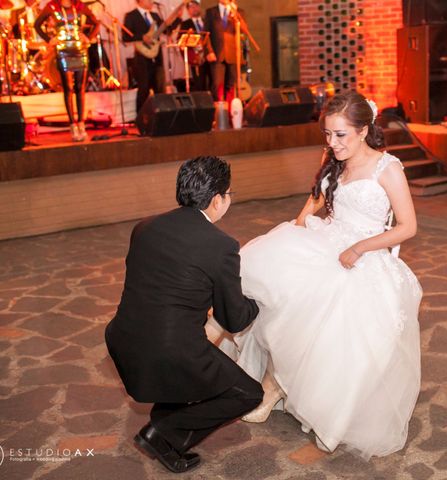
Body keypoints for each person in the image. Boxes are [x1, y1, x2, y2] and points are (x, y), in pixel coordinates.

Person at [235, 91, 422, 459]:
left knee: (324, 303)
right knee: (276, 283)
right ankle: (273, 384)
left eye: (340, 135)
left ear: (364, 130)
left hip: (363, 254)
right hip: (327, 240)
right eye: (327, 134)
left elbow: (407, 227)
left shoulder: (389, 168)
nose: (331, 143)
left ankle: (282, 389)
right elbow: (317, 198)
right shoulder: (335, 158)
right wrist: (301, 223)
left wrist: (359, 248)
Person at [105, 156, 263, 474]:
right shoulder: (221, 245)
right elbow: (235, 319)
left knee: (189, 375)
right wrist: (258, 303)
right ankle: (162, 435)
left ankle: (164, 422)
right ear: (218, 199)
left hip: (122, 338)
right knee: (248, 393)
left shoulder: (145, 227)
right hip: (168, 350)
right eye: (229, 194)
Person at [34, 0, 99, 141]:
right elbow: (37, 25)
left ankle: (81, 123)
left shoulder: (80, 6)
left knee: (80, 88)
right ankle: (72, 125)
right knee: (68, 88)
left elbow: (96, 23)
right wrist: (49, 39)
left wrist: (88, 37)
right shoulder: (52, 6)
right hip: (63, 50)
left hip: (80, 50)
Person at [123, 0, 183, 112]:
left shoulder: (155, 15)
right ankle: (141, 117)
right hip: (142, 57)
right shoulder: (131, 16)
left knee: (160, 87)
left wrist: (178, 18)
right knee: (144, 88)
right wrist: (141, 37)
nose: (151, 1)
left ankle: (161, 115)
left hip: (157, 56)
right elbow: (125, 37)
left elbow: (166, 31)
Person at [203, 0, 248, 103]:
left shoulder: (238, 12)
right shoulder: (210, 12)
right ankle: (219, 113)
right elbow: (205, 34)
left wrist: (235, 14)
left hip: (233, 54)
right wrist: (209, 51)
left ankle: (232, 112)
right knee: (217, 85)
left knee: (232, 86)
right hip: (217, 54)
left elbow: (244, 30)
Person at [180, 0, 216, 92]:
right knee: (200, 84)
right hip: (197, 59)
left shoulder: (206, 21)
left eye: (196, 6)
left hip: (210, 56)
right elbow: (181, 42)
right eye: (191, 7)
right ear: (188, 10)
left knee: (214, 81)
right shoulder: (185, 24)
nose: (194, 9)